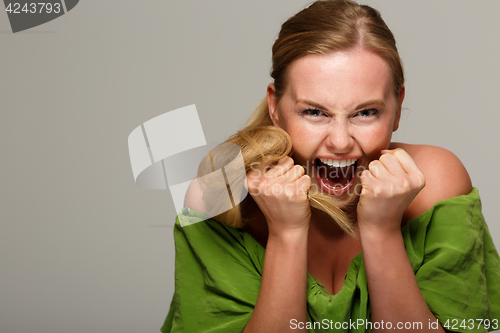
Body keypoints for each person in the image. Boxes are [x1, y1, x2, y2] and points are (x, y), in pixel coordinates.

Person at [161, 0, 500, 332]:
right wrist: (286, 235)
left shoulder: (435, 185)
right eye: (314, 112)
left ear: (397, 109)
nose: (340, 142)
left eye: (366, 112)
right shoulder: (220, 199)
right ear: (276, 108)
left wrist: (382, 232)